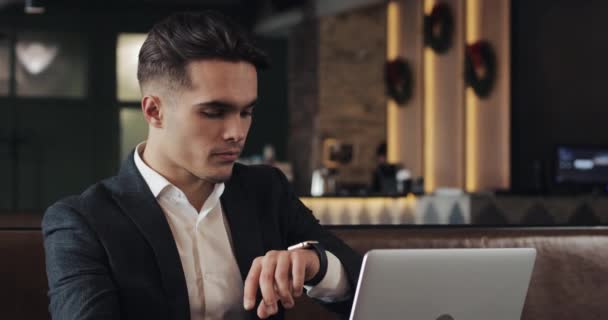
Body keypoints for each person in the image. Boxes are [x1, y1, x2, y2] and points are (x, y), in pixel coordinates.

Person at [42, 11, 362, 320]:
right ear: (154, 111)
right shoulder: (83, 222)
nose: (236, 132)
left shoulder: (266, 191)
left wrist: (314, 263)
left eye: (245, 112)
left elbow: (362, 286)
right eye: (213, 112)